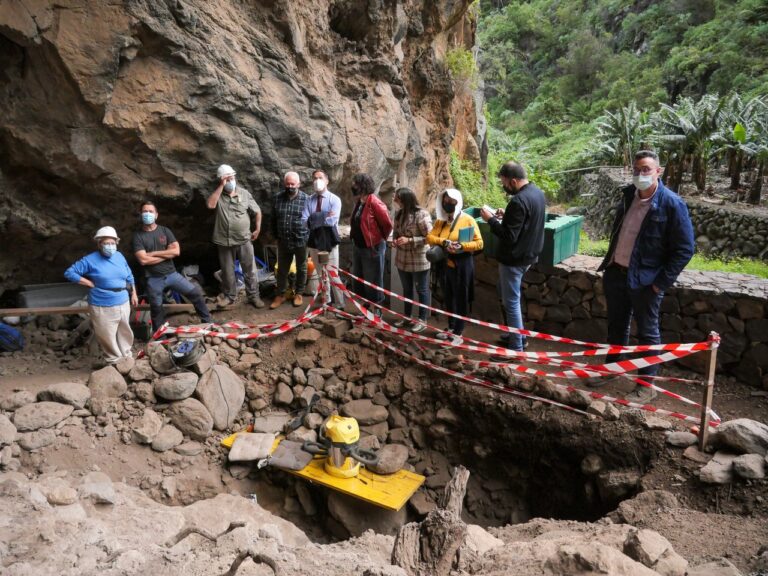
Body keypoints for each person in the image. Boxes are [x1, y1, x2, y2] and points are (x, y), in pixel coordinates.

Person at [597, 150, 695, 402]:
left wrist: (659, 283)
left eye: (646, 170)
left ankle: (645, 385)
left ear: (658, 172)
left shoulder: (672, 204)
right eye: (637, 169)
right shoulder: (629, 195)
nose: (640, 174)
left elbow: (685, 249)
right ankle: (611, 370)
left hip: (645, 282)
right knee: (616, 328)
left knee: (648, 334)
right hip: (617, 274)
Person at [480, 161, 546, 351]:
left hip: (514, 259)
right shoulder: (537, 193)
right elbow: (525, 221)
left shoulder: (518, 201)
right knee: (508, 295)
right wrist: (505, 214)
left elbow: (509, 236)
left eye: (504, 182)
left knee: (511, 302)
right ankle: (516, 334)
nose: (504, 186)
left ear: (514, 181)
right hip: (529, 255)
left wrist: (490, 220)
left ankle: (517, 346)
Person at [133, 200, 212, 330]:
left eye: (150, 211)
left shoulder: (165, 231)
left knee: (196, 294)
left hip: (172, 274)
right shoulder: (138, 236)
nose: (148, 214)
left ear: (156, 215)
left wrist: (153, 254)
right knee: (156, 308)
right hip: (153, 279)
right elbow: (143, 260)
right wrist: (165, 255)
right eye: (145, 211)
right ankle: (159, 336)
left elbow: (176, 251)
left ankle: (208, 322)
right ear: (141, 214)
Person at [64, 226, 138, 364]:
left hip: (122, 300)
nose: (110, 246)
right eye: (106, 243)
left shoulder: (120, 256)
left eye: (112, 243)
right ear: (99, 244)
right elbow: (70, 272)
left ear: (116, 242)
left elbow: (129, 276)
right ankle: (114, 360)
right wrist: (87, 282)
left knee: (125, 330)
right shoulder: (90, 260)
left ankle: (127, 357)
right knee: (107, 334)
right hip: (102, 303)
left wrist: (134, 294)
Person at [426, 189, 483, 345]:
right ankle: (451, 327)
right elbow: (429, 237)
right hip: (445, 265)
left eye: (451, 202)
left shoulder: (468, 220)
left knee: (461, 298)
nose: (447, 204)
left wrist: (461, 246)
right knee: (449, 297)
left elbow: (479, 243)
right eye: (445, 201)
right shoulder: (441, 221)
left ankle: (458, 332)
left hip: (462, 265)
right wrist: (445, 242)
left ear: (458, 202)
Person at [206, 164, 264, 308]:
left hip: (244, 239)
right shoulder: (218, 195)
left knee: (249, 269)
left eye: (232, 178)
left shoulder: (244, 193)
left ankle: (254, 296)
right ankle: (229, 296)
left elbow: (257, 211)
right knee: (227, 271)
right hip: (224, 241)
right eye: (227, 179)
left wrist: (257, 229)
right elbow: (210, 205)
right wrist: (221, 186)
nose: (231, 181)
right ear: (221, 180)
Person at [349, 173, 393, 313]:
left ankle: (377, 308)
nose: (353, 186)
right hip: (359, 246)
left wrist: (377, 241)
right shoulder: (360, 201)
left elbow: (387, 225)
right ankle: (366, 304)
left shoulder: (374, 202)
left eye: (355, 183)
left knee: (373, 279)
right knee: (360, 276)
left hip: (372, 248)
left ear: (362, 186)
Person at [391, 187, 432, 333]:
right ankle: (407, 317)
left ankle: (423, 320)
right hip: (402, 259)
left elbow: (430, 238)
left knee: (421, 290)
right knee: (407, 289)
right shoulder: (399, 214)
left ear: (404, 199)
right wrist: (395, 240)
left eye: (397, 197)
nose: (394, 200)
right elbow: (396, 232)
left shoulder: (421, 214)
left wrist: (410, 240)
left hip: (419, 260)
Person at [301, 169, 344, 307]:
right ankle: (327, 300)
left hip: (329, 240)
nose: (317, 180)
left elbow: (332, 221)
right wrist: (324, 214)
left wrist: (314, 218)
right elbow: (304, 222)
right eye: (314, 178)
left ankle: (340, 303)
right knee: (321, 274)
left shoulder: (334, 199)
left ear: (327, 181)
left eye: (320, 177)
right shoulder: (309, 200)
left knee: (333, 274)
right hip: (314, 241)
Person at [271, 171, 310, 308]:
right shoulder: (277, 198)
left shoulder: (307, 199)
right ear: (284, 184)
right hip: (283, 241)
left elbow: (311, 221)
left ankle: (299, 293)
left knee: (302, 268)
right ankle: (280, 295)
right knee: (282, 269)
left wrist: (307, 237)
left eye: (293, 184)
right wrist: (276, 236)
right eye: (287, 184)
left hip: (300, 241)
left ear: (298, 184)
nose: (290, 186)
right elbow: (273, 219)